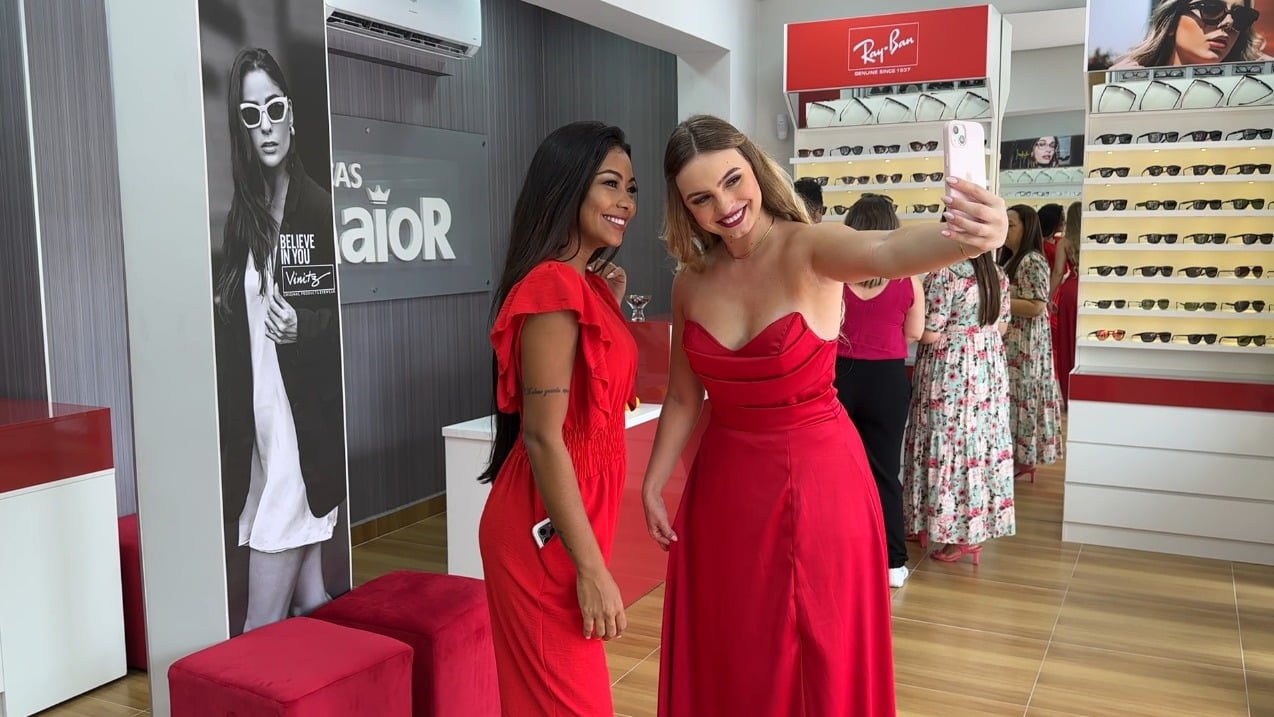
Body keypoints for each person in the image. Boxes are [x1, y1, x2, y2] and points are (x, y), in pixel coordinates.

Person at [640, 114, 1007, 716]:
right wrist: (654, 482)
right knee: (734, 645)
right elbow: (684, 396)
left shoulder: (809, 245)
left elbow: (886, 250)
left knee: (819, 649)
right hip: (724, 491)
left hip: (816, 481)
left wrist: (967, 238)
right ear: (684, 209)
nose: (725, 206)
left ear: (756, 169)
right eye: (701, 199)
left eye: (733, 181)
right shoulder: (691, 282)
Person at [476, 121, 640, 716]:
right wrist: (592, 569)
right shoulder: (553, 288)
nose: (626, 202)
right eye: (610, 183)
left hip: (567, 517)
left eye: (631, 188)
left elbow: (586, 399)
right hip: (540, 532)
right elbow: (545, 437)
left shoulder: (583, 286)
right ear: (567, 186)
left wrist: (605, 302)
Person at [213, 48, 345, 635]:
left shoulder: (317, 207)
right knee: (310, 601)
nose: (266, 125)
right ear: (241, 127)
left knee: (257, 624)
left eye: (274, 108)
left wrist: (302, 326)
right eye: (251, 115)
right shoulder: (242, 218)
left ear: (292, 112)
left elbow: (340, 316)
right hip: (261, 426)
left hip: (299, 426)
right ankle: (349, 677)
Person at [902, 222, 1015, 565]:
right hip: (987, 366)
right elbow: (1003, 325)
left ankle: (948, 530)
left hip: (950, 367)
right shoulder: (997, 274)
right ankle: (970, 529)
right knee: (979, 445)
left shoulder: (944, 273)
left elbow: (931, 332)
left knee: (944, 444)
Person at [834, 195, 924, 588]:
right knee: (886, 471)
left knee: (838, 471)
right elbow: (914, 332)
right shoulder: (908, 280)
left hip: (838, 376)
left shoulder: (835, 279)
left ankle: (844, 554)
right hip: (888, 379)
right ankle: (893, 562)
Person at [1000, 205, 1065, 481]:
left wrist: (998, 301)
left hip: (1026, 345)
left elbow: (1037, 305)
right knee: (1016, 399)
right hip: (1016, 343)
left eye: (1012, 225)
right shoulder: (1014, 259)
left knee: (1022, 398)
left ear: (1027, 228)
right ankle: (1020, 457)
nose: (1006, 230)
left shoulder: (1031, 260)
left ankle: (1023, 458)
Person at [1111, 0, 1269, 69]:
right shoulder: (1125, 85)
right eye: (1211, 8)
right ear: (1172, 23)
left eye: (1241, 16)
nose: (1229, 23)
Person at [1052, 201, 1082, 408]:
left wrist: (1048, 297)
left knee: (1067, 340)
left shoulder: (1065, 242)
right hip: (1090, 289)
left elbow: (1058, 272)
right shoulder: (1092, 240)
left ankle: (1069, 393)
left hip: (1070, 292)